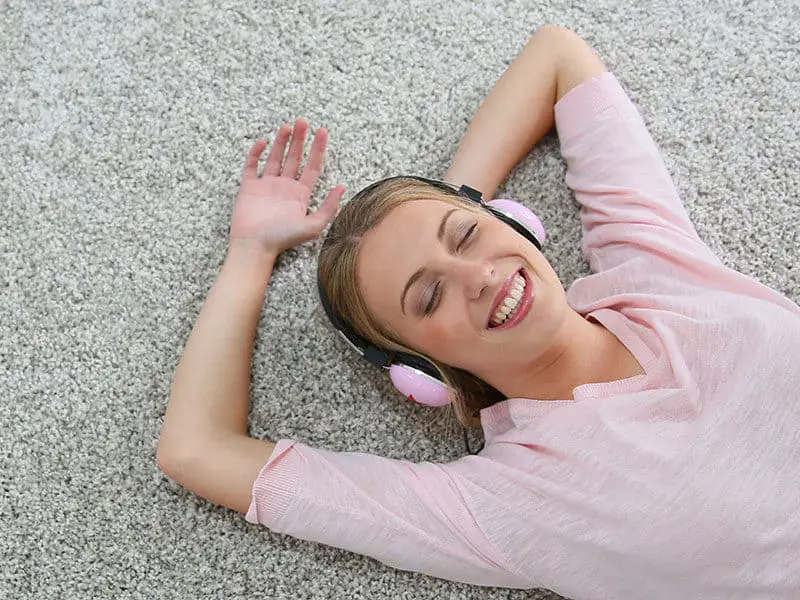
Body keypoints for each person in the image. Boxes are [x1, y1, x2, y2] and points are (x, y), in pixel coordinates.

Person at [156, 25, 800, 599]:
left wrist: (456, 197)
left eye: (465, 237)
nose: (479, 276)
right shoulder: (504, 503)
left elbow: (558, 55)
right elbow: (194, 450)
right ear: (423, 372)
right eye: (428, 296)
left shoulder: (652, 265)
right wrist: (249, 253)